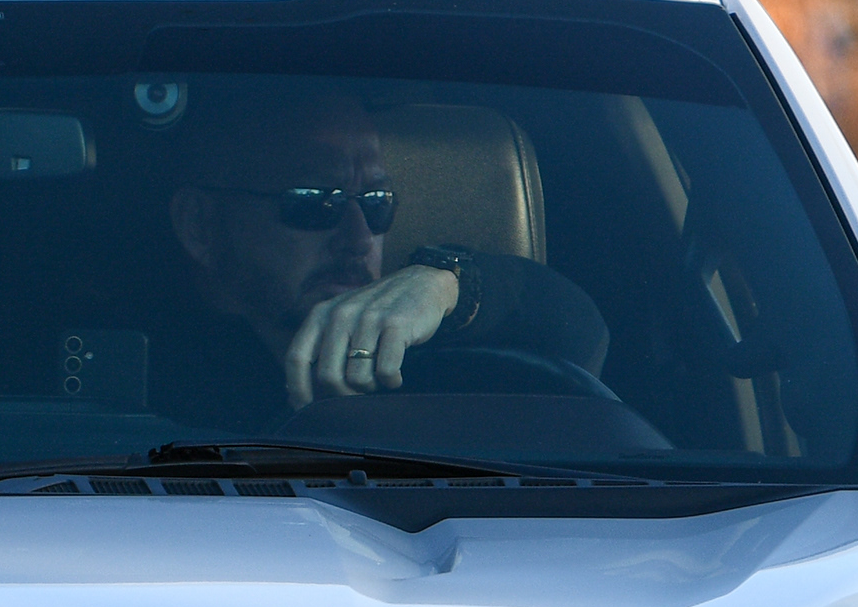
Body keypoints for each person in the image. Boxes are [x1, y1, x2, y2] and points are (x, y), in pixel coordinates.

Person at [151, 88, 627, 429]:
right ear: (200, 224)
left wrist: (448, 285)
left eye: (377, 202)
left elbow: (581, 332)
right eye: (317, 201)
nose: (359, 239)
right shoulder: (125, 379)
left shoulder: (428, 359)